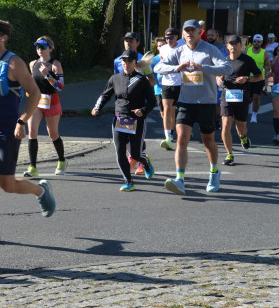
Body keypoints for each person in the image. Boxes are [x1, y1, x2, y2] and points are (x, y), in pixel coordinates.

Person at [0, 18, 56, 245]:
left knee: (6, 185)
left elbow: (34, 93)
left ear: (3, 37)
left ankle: (40, 191)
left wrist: (22, 120)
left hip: (7, 132)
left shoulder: (14, 63)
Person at [154, 20, 232, 195]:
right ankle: (179, 179)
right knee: (181, 138)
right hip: (185, 101)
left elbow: (226, 68)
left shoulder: (210, 49)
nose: (189, 33)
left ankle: (214, 172)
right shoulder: (178, 51)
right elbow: (158, 67)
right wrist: (176, 68)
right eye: (186, 31)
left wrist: (202, 67)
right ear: (182, 34)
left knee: (208, 141)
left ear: (199, 32)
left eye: (192, 30)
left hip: (206, 102)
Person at [92, 50, 155, 191]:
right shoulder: (115, 78)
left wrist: (143, 111)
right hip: (119, 120)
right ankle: (129, 181)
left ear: (135, 63)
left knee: (135, 154)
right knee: (120, 152)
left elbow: (152, 101)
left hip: (136, 121)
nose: (126, 64)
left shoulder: (141, 80)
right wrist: (97, 107)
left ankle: (146, 164)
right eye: (123, 61)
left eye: (129, 61)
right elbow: (105, 95)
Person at [24, 36, 68, 178]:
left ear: (50, 48)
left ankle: (62, 160)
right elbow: (32, 80)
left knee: (53, 134)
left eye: (42, 47)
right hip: (36, 101)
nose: (39, 49)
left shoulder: (55, 64)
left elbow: (60, 86)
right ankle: (32, 167)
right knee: (32, 132)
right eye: (37, 47)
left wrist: (48, 74)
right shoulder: (32, 64)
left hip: (52, 101)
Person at [218, 35, 262, 166]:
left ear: (240, 45)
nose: (233, 46)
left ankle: (243, 138)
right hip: (227, 95)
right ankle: (229, 154)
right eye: (230, 44)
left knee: (240, 128)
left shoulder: (247, 60)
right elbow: (218, 75)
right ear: (226, 46)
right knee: (225, 124)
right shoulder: (223, 61)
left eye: (236, 43)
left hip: (242, 96)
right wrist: (218, 80)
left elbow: (259, 76)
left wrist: (247, 79)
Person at [155, 28, 183, 150]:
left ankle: (180, 132)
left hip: (181, 83)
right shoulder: (164, 48)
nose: (168, 40)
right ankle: (168, 137)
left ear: (176, 37)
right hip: (166, 83)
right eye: (166, 38)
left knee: (177, 111)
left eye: (171, 37)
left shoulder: (183, 46)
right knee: (166, 110)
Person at [245, 34, 271, 123]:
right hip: (248, 78)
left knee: (256, 97)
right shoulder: (247, 51)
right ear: (253, 42)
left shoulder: (265, 53)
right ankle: (249, 105)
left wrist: (267, 71)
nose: (256, 43)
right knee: (249, 98)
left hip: (259, 78)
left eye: (258, 42)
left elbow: (267, 65)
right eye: (255, 41)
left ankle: (254, 115)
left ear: (262, 42)